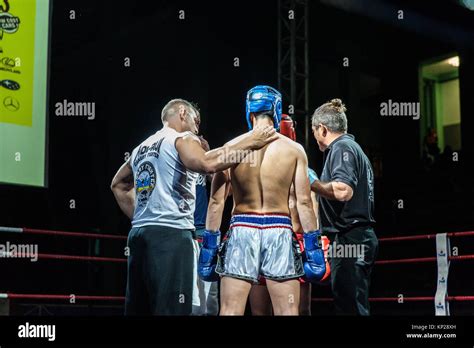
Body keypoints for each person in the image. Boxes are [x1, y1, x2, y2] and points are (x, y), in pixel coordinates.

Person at [110, 98, 277, 315]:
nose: (197, 129)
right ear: (182, 113)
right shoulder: (182, 138)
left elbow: (117, 185)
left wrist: (144, 216)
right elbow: (207, 163)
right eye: (195, 121)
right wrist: (252, 141)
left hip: (140, 235)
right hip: (171, 234)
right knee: (173, 309)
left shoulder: (141, 147)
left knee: (140, 308)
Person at [199, 86, 325, 315]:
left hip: (241, 231)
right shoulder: (294, 150)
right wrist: (313, 247)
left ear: (249, 112)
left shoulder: (231, 148)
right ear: (276, 111)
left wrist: (209, 246)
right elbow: (304, 203)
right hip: (279, 231)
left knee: (230, 310)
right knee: (287, 311)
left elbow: (216, 203)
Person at [248, 115, 323, 316]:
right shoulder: (253, 163)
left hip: (295, 241)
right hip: (263, 236)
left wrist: (313, 241)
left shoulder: (304, 168)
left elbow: (310, 204)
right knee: (261, 311)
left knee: (300, 309)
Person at [310, 98, 378, 315]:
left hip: (351, 237)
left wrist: (311, 183)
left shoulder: (342, 147)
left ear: (322, 129)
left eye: (313, 131)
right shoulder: (353, 148)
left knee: (350, 307)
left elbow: (343, 190)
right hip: (355, 237)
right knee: (351, 303)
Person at [190, 110, 219, 316]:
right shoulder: (174, 152)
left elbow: (219, 186)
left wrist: (209, 154)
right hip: (184, 231)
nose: (197, 125)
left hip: (204, 231)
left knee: (211, 299)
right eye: (194, 120)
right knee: (191, 298)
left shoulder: (203, 158)